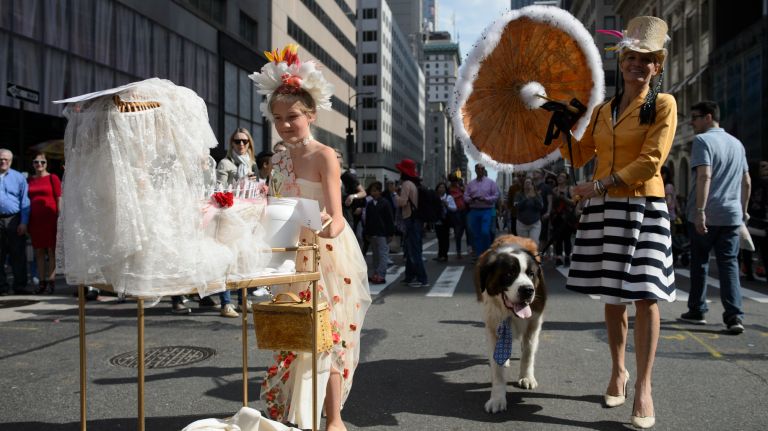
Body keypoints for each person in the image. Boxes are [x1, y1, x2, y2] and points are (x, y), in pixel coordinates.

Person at [561, 16, 676, 429]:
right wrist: (559, 128)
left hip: (644, 205)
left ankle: (643, 387)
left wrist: (600, 185)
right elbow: (579, 156)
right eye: (630, 58)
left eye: (646, 60)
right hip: (605, 208)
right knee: (613, 296)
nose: (637, 65)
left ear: (657, 67)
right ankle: (617, 370)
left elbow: (651, 161)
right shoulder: (605, 109)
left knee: (646, 295)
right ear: (620, 61)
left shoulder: (662, 104)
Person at [251, 44, 371, 430]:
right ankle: (298, 409)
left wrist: (322, 227)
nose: (286, 124)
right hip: (289, 252)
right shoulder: (280, 158)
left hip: (325, 255)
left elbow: (337, 217)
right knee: (295, 332)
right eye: (279, 118)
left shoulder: (325, 156)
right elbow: (276, 204)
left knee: (328, 336)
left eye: (294, 117)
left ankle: (333, 418)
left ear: (311, 115)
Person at [679, 100, 750, 335]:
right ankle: (734, 316)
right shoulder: (737, 144)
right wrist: (743, 210)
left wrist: (700, 211)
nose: (692, 122)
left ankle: (698, 309)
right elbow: (746, 181)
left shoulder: (702, 141)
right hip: (731, 215)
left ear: (709, 117)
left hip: (706, 214)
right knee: (729, 265)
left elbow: (704, 176)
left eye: (696, 117)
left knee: (699, 262)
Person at [215, 128, 258, 318]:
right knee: (227, 260)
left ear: (249, 144)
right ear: (231, 143)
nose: (241, 145)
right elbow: (218, 190)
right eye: (237, 141)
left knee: (244, 259)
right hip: (228, 216)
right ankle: (226, 303)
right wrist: (239, 182)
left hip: (248, 215)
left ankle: (242, 300)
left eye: (245, 141)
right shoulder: (225, 163)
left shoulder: (251, 164)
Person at [27, 152, 61, 294]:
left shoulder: (53, 178)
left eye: (42, 162)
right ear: (33, 164)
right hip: (35, 220)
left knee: (51, 250)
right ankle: (42, 282)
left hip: (50, 218)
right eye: (36, 162)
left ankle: (52, 281)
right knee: (39, 251)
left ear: (47, 164)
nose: (39, 165)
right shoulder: (29, 180)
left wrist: (60, 216)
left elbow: (59, 198)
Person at [394, 158, 429, 288]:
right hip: (416, 220)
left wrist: (394, 196)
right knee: (410, 250)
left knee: (413, 251)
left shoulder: (406, 184)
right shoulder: (414, 184)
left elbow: (402, 202)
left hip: (410, 219)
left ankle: (422, 278)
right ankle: (409, 276)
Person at [0, 148, 30, 295]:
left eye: (6, 159)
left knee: (18, 254)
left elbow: (25, 201)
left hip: (14, 219)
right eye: (1, 158)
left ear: (11, 161)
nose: (3, 161)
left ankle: (20, 286)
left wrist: (24, 222)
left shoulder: (19, 178)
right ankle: (2, 287)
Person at [463, 163, 499, 259]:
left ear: (484, 170)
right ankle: (480, 255)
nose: (480, 170)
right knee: (476, 234)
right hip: (474, 210)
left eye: (481, 169)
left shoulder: (491, 183)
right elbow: (465, 196)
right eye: (478, 169)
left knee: (485, 232)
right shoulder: (471, 184)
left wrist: (486, 199)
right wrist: (471, 199)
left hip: (486, 210)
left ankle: (487, 252)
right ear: (475, 170)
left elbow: (496, 196)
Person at [362, 181, 394, 283]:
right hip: (372, 233)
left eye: (376, 191)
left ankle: (381, 274)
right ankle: (375, 273)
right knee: (375, 255)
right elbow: (367, 219)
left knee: (383, 254)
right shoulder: (370, 204)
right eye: (372, 191)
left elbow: (389, 219)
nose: (374, 193)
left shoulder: (385, 203)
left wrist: (390, 233)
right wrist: (366, 232)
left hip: (382, 232)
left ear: (380, 191)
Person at [743, 160, 768, 281]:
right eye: (763, 166)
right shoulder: (761, 183)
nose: (766, 168)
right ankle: (749, 271)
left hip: (753, 219)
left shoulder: (750, 182)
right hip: (757, 219)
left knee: (751, 247)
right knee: (758, 248)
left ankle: (749, 272)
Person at [550, 172, 577, 266]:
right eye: (559, 176)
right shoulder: (554, 189)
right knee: (558, 238)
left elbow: (574, 202)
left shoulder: (570, 188)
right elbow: (552, 204)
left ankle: (567, 257)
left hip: (567, 218)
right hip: (557, 217)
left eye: (562, 177)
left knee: (567, 238)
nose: (560, 178)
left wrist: (564, 198)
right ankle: (558, 257)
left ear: (566, 179)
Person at [513, 176, 544, 246]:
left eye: (530, 183)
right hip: (521, 223)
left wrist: (534, 197)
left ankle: (533, 256)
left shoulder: (537, 195)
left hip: (534, 223)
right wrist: (527, 198)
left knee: (534, 243)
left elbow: (541, 207)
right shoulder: (518, 195)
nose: (528, 184)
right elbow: (517, 207)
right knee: (523, 245)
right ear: (523, 185)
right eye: (526, 182)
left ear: (533, 185)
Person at [434, 182, 457, 262]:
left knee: (445, 238)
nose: (441, 189)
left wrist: (447, 205)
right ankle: (440, 254)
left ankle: (444, 255)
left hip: (446, 220)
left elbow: (454, 208)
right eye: (440, 187)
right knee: (439, 238)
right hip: (437, 220)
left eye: (443, 187)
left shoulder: (449, 197)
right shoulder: (435, 197)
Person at [448, 173, 467, 259]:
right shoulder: (449, 189)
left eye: (455, 180)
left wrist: (463, 191)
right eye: (453, 181)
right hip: (456, 212)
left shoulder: (460, 188)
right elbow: (449, 198)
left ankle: (468, 248)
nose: (454, 182)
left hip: (464, 210)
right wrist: (460, 194)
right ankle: (458, 251)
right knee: (458, 232)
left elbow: (465, 196)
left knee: (466, 229)